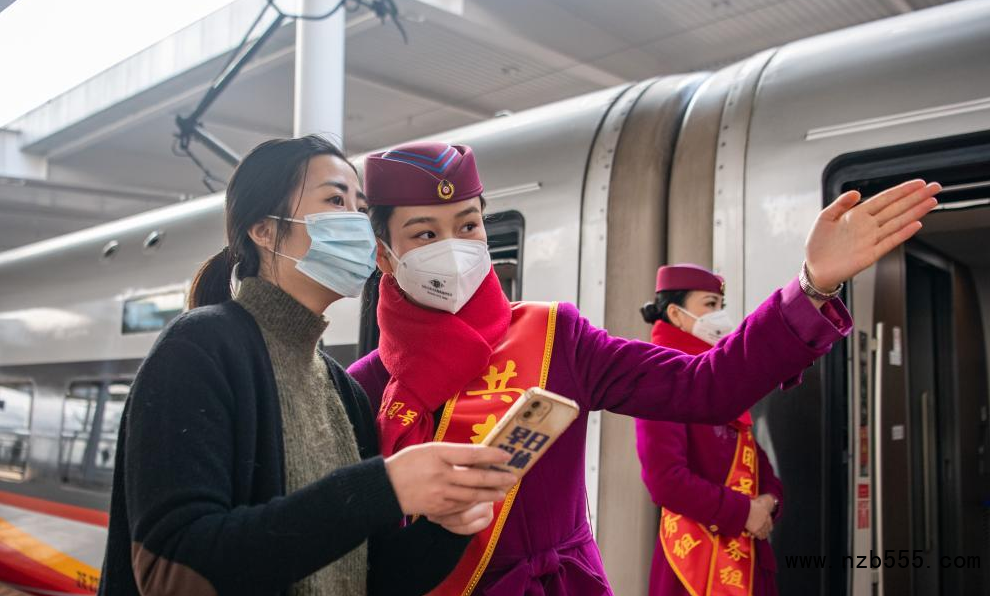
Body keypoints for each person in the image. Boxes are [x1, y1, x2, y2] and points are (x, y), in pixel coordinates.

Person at [348, 141, 939, 595]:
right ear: (385, 255)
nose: (454, 248)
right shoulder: (364, 389)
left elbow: (706, 386)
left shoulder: (556, 337)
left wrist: (812, 285)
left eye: (468, 226)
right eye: (424, 234)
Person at [98, 136, 518, 596]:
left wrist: (446, 527)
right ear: (263, 230)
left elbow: (370, 578)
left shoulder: (344, 391)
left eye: (361, 208)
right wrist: (381, 487)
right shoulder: (198, 349)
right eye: (336, 201)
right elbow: (175, 572)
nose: (359, 224)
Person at [636, 264, 783, 596]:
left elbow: (755, 458)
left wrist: (769, 500)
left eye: (721, 305)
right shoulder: (659, 376)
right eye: (710, 304)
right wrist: (744, 512)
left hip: (744, 552)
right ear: (676, 314)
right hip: (694, 564)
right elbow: (666, 480)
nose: (720, 315)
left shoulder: (717, 375)